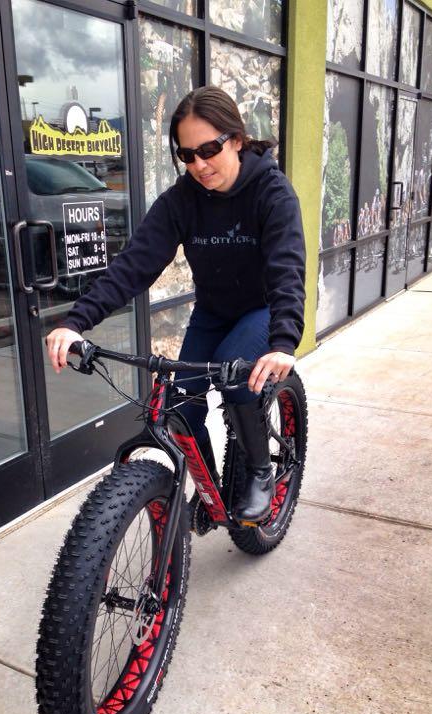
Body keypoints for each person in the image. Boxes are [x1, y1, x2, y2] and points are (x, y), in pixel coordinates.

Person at [46, 86, 306, 523]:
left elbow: (286, 268)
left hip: (262, 310)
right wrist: (77, 321)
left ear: (237, 140)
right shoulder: (181, 201)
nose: (199, 165)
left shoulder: (272, 193)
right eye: (188, 155)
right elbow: (134, 265)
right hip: (213, 311)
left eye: (209, 149)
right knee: (179, 406)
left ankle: (260, 471)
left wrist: (283, 341)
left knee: (234, 373)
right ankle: (212, 492)